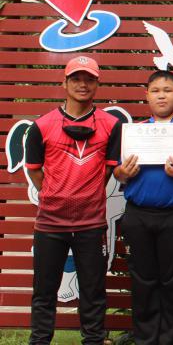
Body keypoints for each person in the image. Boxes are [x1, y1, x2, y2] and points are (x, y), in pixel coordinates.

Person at [25, 56, 122, 345]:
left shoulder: (111, 125)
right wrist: (57, 195)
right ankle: (39, 341)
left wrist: (85, 195)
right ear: (64, 82)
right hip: (50, 224)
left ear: (97, 83)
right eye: (76, 78)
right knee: (44, 291)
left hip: (91, 224)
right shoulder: (42, 126)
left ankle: (93, 340)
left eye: (89, 79)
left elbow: (108, 170)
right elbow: (35, 171)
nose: (83, 84)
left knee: (93, 292)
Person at [113, 70, 173, 345]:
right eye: (155, 91)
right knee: (143, 281)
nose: (161, 96)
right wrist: (123, 173)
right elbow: (118, 172)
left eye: (167, 90)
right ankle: (146, 339)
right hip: (138, 215)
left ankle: (171, 340)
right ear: (146, 95)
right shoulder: (135, 131)